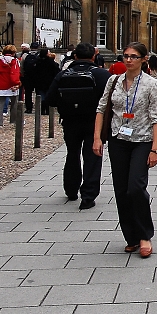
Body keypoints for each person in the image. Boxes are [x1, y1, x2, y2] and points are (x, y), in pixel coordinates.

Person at [93, 42, 157, 259]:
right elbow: (101, 109)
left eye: (134, 56)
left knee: (135, 187)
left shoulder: (152, 85)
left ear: (143, 59)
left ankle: (145, 235)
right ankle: (131, 237)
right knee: (121, 190)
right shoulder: (113, 81)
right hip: (118, 140)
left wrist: (155, 149)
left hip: (142, 141)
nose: (129, 60)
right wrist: (97, 138)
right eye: (126, 56)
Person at [44, 42, 111, 209]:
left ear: (75, 56)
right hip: (94, 121)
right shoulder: (102, 74)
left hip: (70, 121)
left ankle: (71, 189)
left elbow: (50, 99)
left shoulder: (63, 74)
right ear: (94, 56)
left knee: (72, 154)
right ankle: (88, 196)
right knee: (92, 156)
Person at [0, 45, 22, 129]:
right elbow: (14, 74)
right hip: (12, 86)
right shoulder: (15, 61)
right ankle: (14, 121)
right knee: (14, 105)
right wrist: (17, 83)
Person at [32, 48, 61, 113]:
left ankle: (42, 109)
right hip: (49, 82)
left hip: (39, 82)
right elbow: (57, 71)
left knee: (41, 96)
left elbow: (34, 72)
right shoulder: (51, 62)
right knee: (48, 96)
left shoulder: (37, 62)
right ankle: (48, 110)